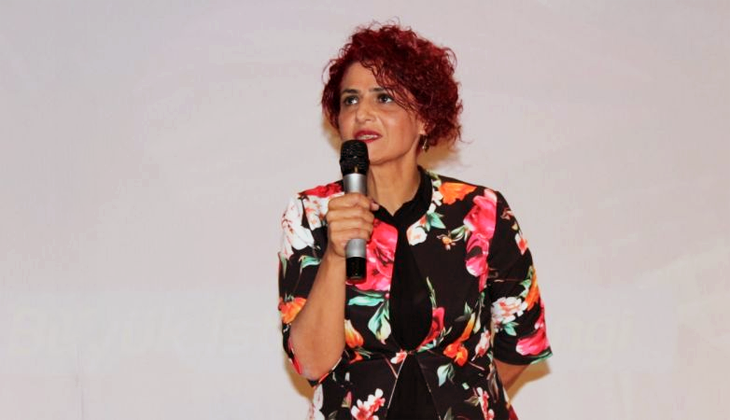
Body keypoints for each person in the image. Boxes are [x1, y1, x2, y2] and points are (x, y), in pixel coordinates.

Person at [277, 23, 552, 420]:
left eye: (384, 97)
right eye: (350, 100)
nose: (362, 113)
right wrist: (336, 255)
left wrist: (460, 398)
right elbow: (311, 363)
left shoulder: (481, 211)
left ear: (424, 117)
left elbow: (521, 341)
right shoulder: (311, 213)